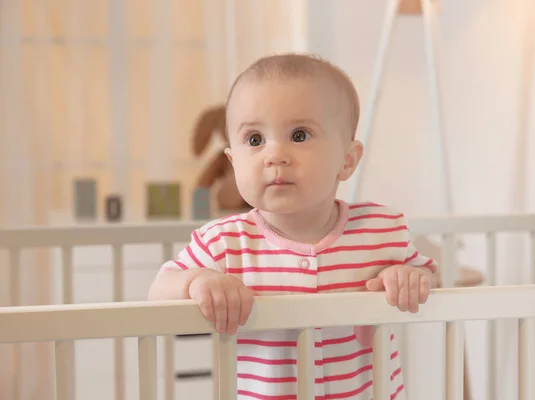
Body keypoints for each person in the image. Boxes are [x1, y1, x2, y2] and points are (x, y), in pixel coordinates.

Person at [148, 53, 438, 400]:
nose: (275, 155)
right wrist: (199, 281)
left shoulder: (380, 230)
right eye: (255, 140)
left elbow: (429, 277)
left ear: (347, 160)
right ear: (233, 161)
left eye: (299, 135)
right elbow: (159, 291)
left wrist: (409, 278)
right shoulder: (224, 242)